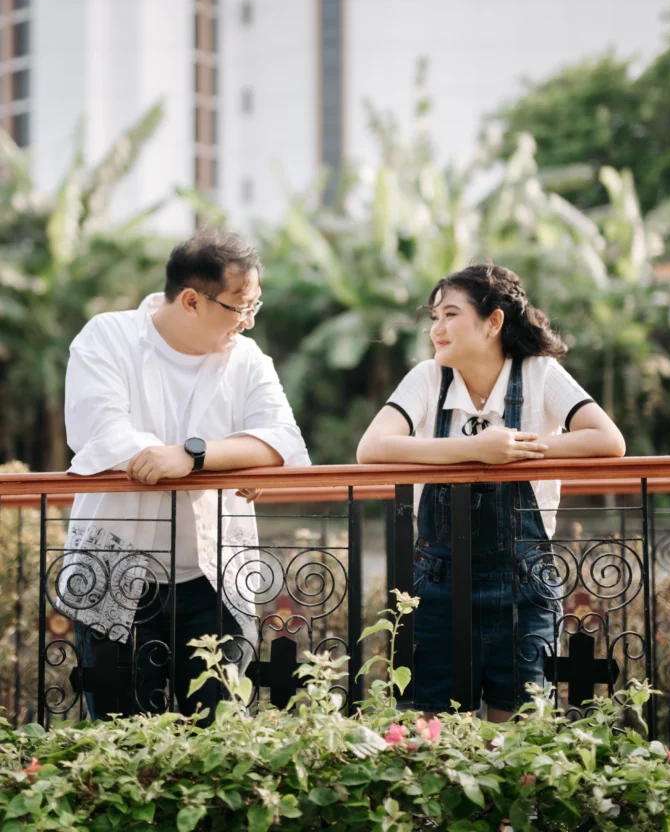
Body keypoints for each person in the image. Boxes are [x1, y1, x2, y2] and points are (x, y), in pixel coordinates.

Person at [59, 230, 310, 720]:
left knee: (220, 737)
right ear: (192, 300)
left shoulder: (248, 358)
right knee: (121, 739)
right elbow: (103, 435)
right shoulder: (107, 337)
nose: (250, 320)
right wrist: (237, 455)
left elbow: (284, 441)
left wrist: (193, 456)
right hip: (113, 572)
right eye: (240, 306)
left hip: (215, 577)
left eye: (254, 306)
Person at [357, 263, 625, 721]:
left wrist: (513, 450)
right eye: (434, 317)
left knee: (518, 733)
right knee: (436, 732)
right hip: (437, 584)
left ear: (493, 321)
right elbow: (371, 448)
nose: (436, 329)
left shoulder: (540, 374)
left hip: (525, 584)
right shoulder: (427, 377)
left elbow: (608, 440)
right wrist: (476, 449)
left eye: (450, 315)